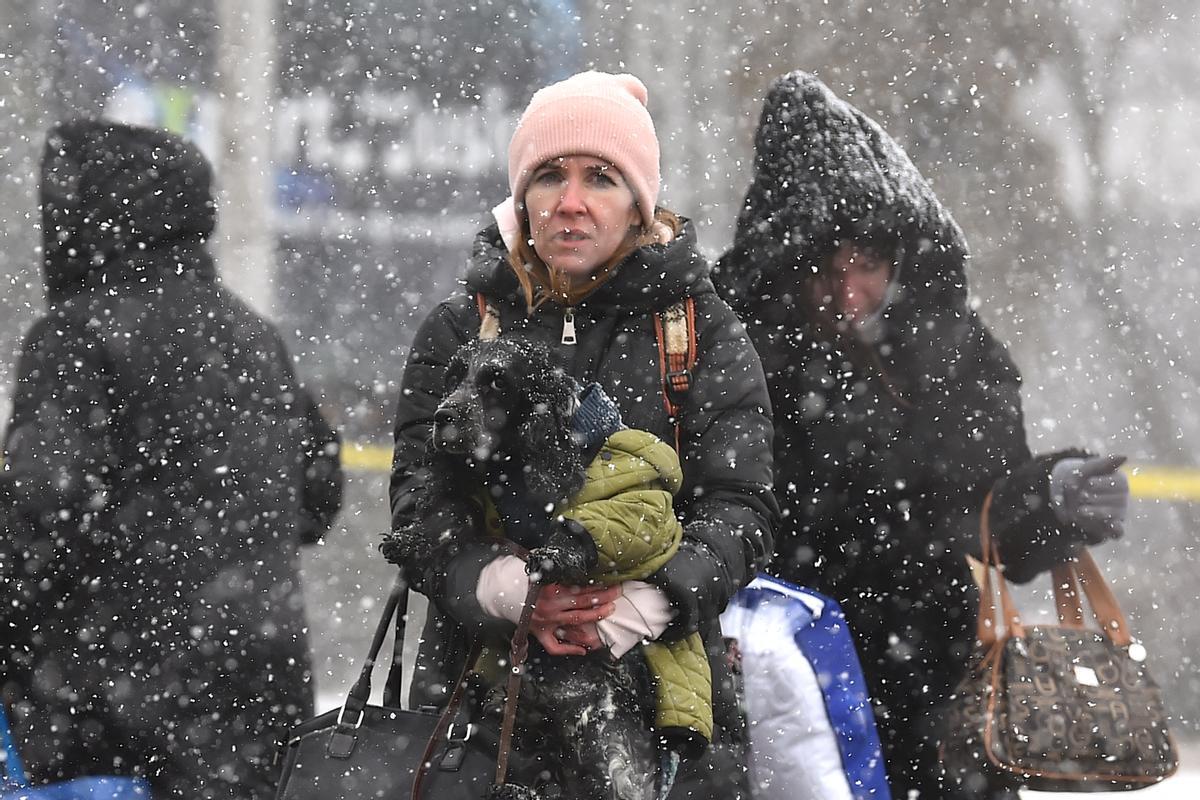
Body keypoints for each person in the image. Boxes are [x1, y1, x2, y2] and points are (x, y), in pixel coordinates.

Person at [712, 71, 1130, 800]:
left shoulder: (949, 353)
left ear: (900, 258)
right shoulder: (733, 353)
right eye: (827, 270)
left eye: (867, 267)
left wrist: (1052, 495)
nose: (848, 296)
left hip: (936, 695)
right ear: (786, 264)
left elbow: (984, 514)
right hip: (785, 693)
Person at [386, 71, 778, 799]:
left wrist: (644, 604)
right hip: (477, 717)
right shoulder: (459, 329)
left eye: (600, 177)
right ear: (520, 196)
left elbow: (742, 510)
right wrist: (503, 591)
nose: (570, 202)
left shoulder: (699, 331)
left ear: (639, 206)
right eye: (548, 176)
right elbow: (418, 504)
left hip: (664, 716)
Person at [0, 120, 344, 799]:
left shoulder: (76, 336)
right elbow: (319, 493)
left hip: (109, 721)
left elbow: (37, 522)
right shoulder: (252, 336)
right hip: (257, 710)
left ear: (82, 219)